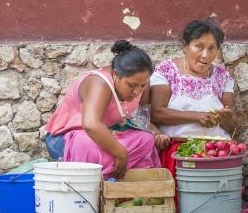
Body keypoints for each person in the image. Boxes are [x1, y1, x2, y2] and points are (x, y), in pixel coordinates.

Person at [44, 40, 168, 179]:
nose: (137, 91)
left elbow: (141, 119)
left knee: (146, 140)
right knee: (87, 145)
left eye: (142, 85)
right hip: (65, 139)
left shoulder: (141, 83)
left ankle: (126, 187)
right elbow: (91, 125)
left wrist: (156, 134)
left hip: (104, 135)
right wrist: (120, 153)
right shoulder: (99, 82)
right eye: (131, 85)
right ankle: (97, 184)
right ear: (115, 74)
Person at [150, 19, 237, 171]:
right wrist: (196, 116)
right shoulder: (166, 71)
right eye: (199, 46)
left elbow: (232, 125)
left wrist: (226, 118)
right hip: (178, 150)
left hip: (217, 151)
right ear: (185, 46)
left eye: (212, 48)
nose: (206, 55)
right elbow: (157, 113)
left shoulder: (223, 77)